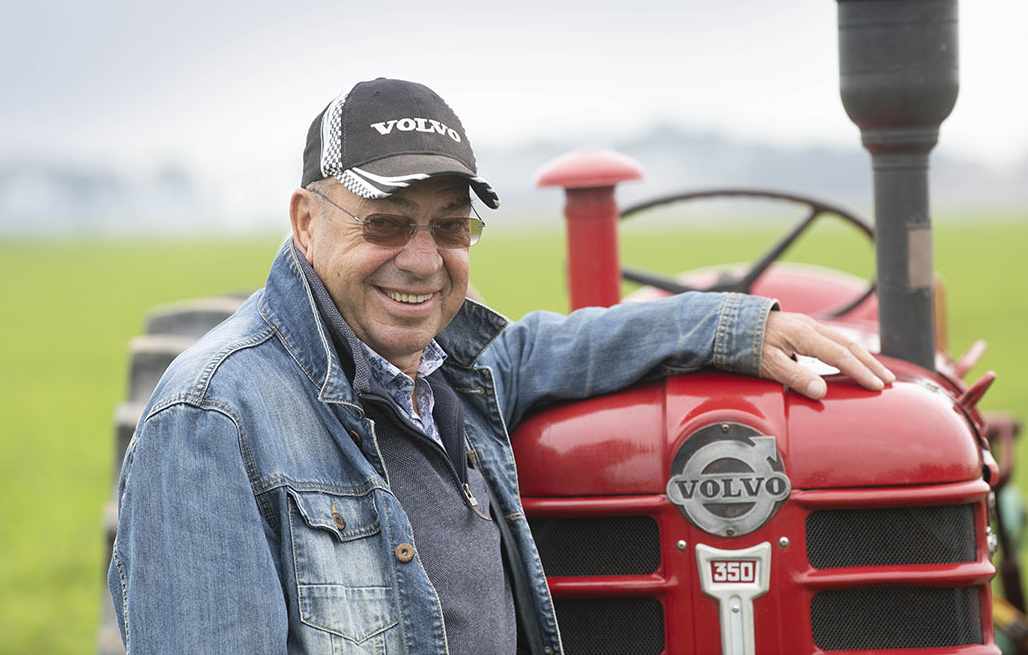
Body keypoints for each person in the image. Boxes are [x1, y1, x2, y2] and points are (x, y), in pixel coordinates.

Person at [109, 78, 894, 654]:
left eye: (449, 228)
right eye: (385, 224)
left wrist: (737, 325)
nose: (423, 261)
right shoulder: (213, 419)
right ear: (306, 222)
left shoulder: (452, 369)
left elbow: (557, 344)